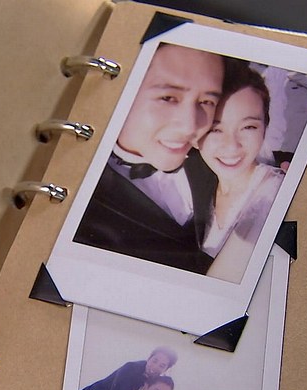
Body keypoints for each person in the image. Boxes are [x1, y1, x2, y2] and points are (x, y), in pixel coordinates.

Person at [73, 43, 224, 274]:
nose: (190, 125)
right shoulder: (79, 200)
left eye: (206, 102)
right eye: (168, 97)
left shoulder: (217, 154)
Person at [196, 61, 285, 283]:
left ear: (265, 128)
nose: (232, 145)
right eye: (215, 129)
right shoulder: (197, 184)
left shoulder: (273, 193)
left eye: (248, 127)